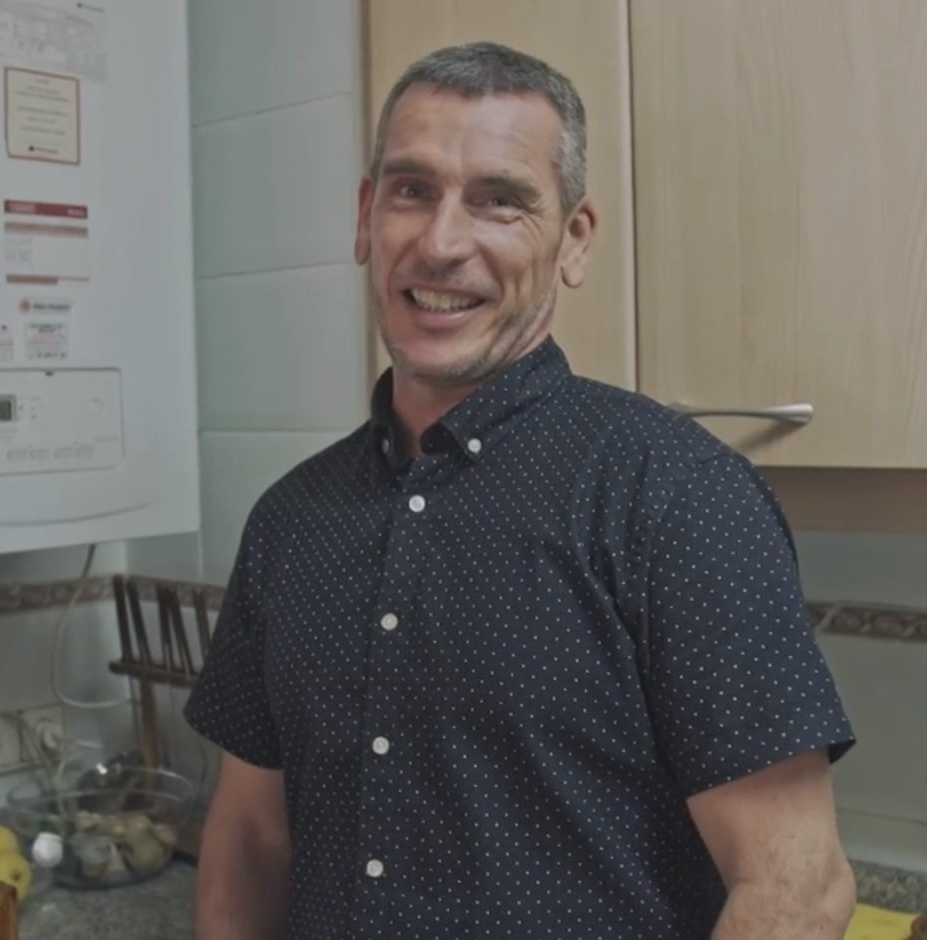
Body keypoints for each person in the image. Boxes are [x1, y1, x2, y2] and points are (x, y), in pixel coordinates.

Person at [183, 41, 858, 940]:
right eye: (411, 190)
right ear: (365, 217)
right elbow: (250, 840)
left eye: (498, 201)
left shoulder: (678, 498)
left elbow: (795, 888)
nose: (440, 243)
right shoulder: (291, 519)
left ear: (573, 240)